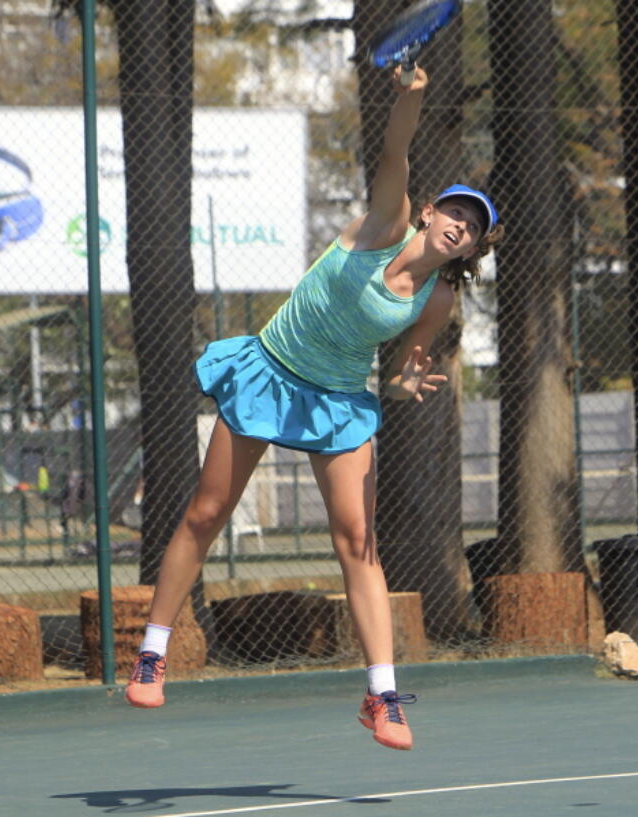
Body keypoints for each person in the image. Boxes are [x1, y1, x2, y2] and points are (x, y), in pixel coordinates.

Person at [122, 66, 503, 752]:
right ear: (429, 213)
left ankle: (382, 695)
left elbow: (396, 372)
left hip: (340, 401)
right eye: (456, 212)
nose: (461, 226)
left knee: (359, 541)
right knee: (206, 512)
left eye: (474, 227)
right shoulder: (387, 220)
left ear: (473, 248)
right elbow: (395, 153)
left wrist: (404, 382)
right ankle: (152, 649)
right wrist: (411, 98)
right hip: (271, 370)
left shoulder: (438, 299)